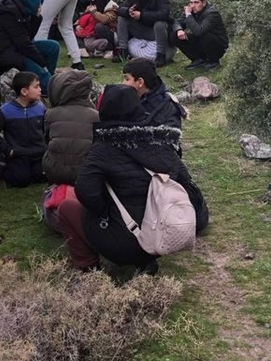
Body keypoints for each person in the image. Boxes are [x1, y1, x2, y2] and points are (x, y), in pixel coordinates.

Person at [72, 84, 207, 274]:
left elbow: (85, 191)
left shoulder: (102, 149)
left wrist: (104, 212)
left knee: (68, 208)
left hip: (121, 242)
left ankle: (88, 265)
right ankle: (145, 261)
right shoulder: (161, 139)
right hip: (163, 232)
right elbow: (184, 181)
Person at [0, 0, 59, 91]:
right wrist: (41, 63)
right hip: (2, 53)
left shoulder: (19, 8)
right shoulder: (8, 12)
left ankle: (45, 84)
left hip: (15, 48)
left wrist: (36, 17)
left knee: (52, 47)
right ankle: (50, 89)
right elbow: (23, 44)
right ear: (31, 0)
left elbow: (28, 37)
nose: (39, 5)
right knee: (37, 69)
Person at [0, 71, 48, 188]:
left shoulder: (40, 107)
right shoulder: (6, 110)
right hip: (18, 154)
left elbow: (47, 129)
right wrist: (7, 150)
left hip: (40, 153)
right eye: (36, 86)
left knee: (41, 177)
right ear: (24, 91)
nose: (40, 89)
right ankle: (0, 168)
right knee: (20, 180)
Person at [43, 68, 99, 187]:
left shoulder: (51, 114)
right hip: (85, 172)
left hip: (54, 170)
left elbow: (46, 140)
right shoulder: (95, 115)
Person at [116, 0, 171, 66]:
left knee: (160, 23)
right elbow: (120, 9)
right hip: (140, 29)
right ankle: (123, 51)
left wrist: (142, 15)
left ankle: (161, 56)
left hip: (154, 31)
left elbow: (164, 14)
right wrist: (128, 11)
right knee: (122, 18)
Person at [172, 0, 229, 70]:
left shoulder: (212, 13)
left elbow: (199, 31)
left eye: (196, 2)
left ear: (204, 3)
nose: (192, 5)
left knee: (205, 34)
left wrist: (188, 15)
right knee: (174, 34)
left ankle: (213, 61)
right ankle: (198, 59)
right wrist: (179, 30)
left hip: (217, 44)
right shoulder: (191, 11)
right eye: (191, 2)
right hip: (201, 41)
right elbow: (177, 22)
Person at [121, 58, 184, 130]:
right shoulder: (122, 99)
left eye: (127, 79)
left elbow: (171, 137)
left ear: (140, 82)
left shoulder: (167, 109)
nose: (123, 83)